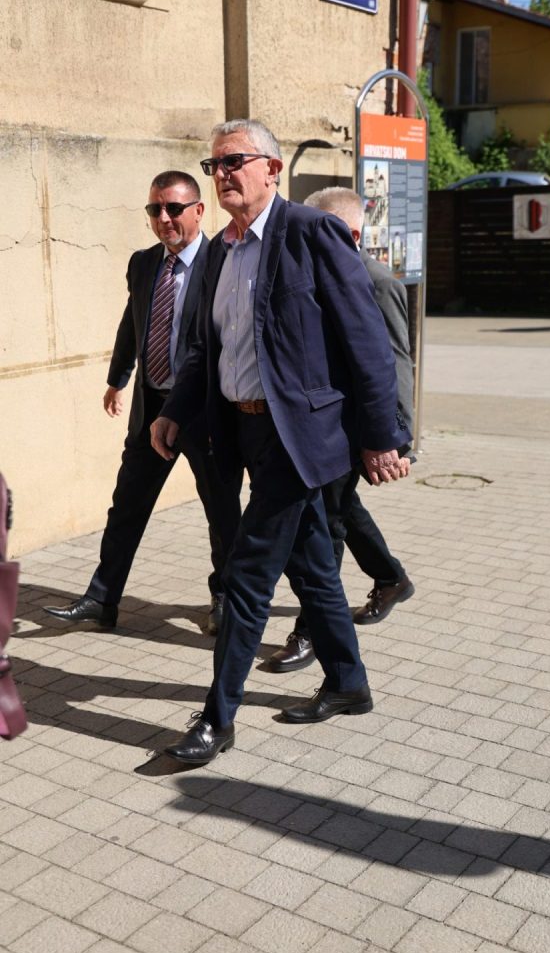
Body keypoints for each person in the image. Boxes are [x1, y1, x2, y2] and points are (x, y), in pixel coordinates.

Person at [151, 120, 411, 766]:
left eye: (234, 161)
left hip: (301, 435)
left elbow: (366, 343)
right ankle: (348, 683)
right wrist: (174, 411)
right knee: (314, 565)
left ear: (271, 168)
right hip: (241, 428)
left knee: (246, 574)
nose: (222, 174)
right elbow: (204, 347)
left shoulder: (310, 232)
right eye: (214, 165)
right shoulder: (219, 251)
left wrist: (382, 437)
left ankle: (218, 718)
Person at [44, 171, 242, 635]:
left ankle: (226, 597)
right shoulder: (144, 263)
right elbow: (132, 322)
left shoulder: (224, 261)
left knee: (221, 511)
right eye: (155, 209)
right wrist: (118, 379)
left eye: (174, 208)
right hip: (151, 406)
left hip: (204, 411)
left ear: (199, 210)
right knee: (127, 505)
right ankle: (102, 599)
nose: (164, 218)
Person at [266, 186, 415, 673]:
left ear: (345, 234)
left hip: (354, 431)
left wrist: (397, 438)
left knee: (323, 529)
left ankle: (311, 631)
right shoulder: (307, 273)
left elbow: (394, 362)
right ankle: (390, 577)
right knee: (339, 510)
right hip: (315, 430)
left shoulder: (377, 280)